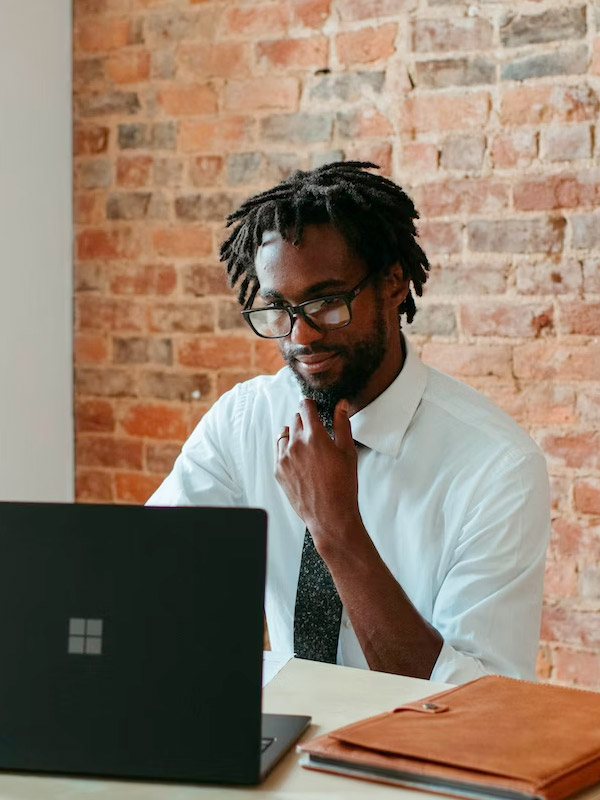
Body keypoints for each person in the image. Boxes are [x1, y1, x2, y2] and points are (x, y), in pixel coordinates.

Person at [148, 161, 550, 684]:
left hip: (413, 758)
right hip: (276, 743)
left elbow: (476, 710)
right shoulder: (244, 422)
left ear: (393, 283)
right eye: (280, 309)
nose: (302, 336)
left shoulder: (496, 469)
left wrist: (335, 528)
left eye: (328, 303)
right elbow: (148, 574)